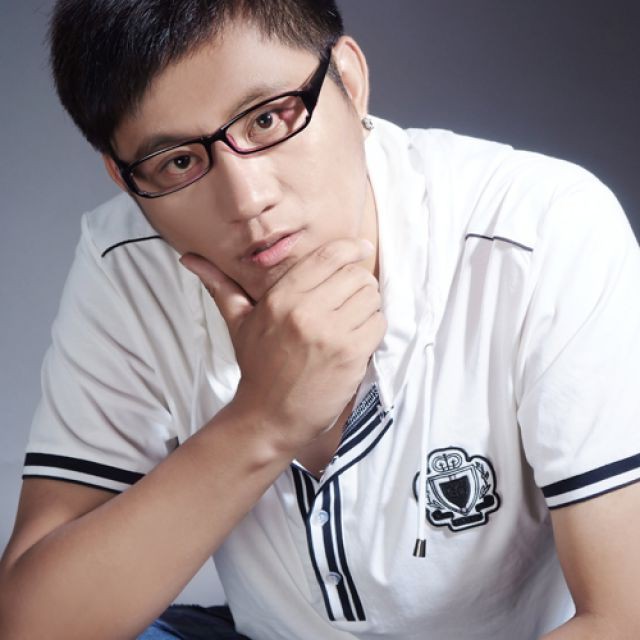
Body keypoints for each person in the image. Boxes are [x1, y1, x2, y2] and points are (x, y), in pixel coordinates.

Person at [1, 0, 639, 638]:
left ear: (350, 81)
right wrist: (264, 420)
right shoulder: (128, 261)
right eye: (179, 162)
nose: (248, 200)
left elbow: (624, 617)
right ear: (122, 177)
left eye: (268, 119)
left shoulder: (541, 231)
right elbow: (34, 625)